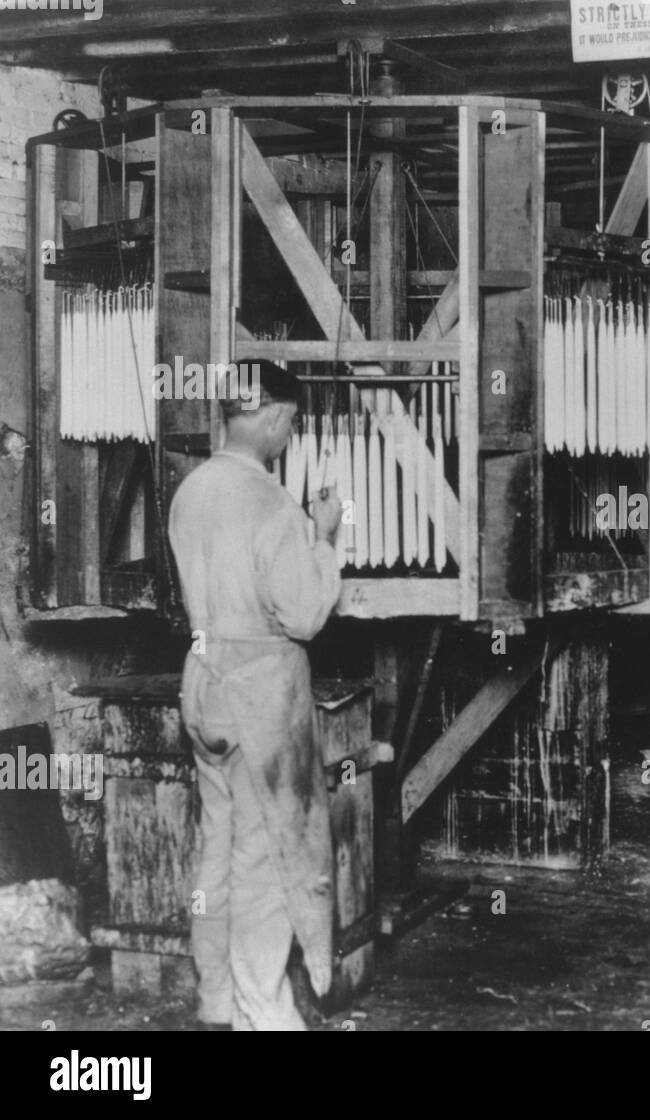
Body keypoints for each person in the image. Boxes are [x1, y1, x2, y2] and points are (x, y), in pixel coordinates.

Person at [168, 361, 342, 1030]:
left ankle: (215, 1001)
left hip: (203, 680)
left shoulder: (193, 490)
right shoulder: (271, 501)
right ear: (271, 417)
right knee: (267, 857)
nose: (290, 434)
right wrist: (323, 536)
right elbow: (302, 615)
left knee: (217, 850)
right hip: (259, 694)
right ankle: (263, 1014)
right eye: (292, 423)